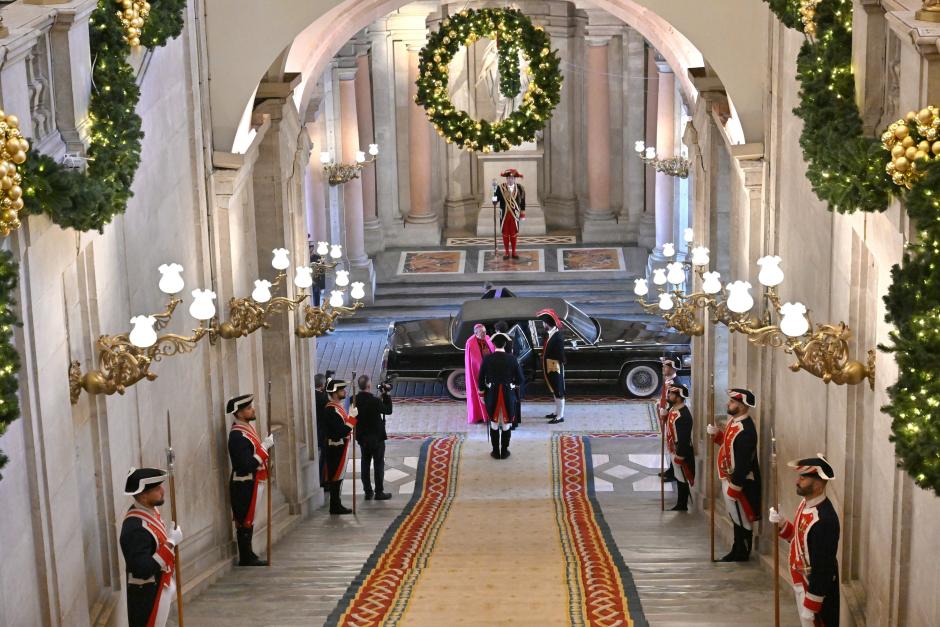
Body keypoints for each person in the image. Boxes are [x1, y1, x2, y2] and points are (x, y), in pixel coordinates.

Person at [769, 455, 841, 627]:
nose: (797, 481)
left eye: (803, 478)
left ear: (817, 484)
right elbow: (801, 542)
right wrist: (782, 524)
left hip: (814, 589)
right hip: (801, 583)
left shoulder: (825, 520)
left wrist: (811, 604)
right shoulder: (806, 504)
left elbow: (824, 567)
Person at [120, 467, 183, 627]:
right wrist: (170, 543)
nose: (162, 491)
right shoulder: (135, 528)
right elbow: (143, 569)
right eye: (156, 489)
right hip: (147, 594)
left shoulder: (150, 510)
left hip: (160, 586)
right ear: (143, 495)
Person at [707, 388, 762, 562]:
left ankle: (742, 551)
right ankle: (736, 547)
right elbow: (728, 444)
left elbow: (744, 462)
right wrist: (717, 435)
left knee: (742, 518)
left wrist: (735, 486)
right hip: (728, 478)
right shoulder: (735, 422)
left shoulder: (746, 431)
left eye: (732, 402)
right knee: (734, 515)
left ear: (742, 406)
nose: (727, 404)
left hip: (739, 482)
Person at [227, 393, 273, 566]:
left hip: (252, 481)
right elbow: (245, 465)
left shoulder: (246, 430)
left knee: (249, 518)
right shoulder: (237, 436)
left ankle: (249, 554)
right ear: (239, 414)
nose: (253, 410)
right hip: (244, 482)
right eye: (248, 408)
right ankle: (245, 556)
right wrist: (263, 449)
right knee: (244, 520)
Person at [477, 332, 525, 459]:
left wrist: (482, 394)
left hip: (492, 394)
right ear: (505, 344)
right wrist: (512, 385)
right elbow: (520, 379)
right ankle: (504, 451)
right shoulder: (512, 359)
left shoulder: (487, 359)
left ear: (493, 344)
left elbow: (481, 378)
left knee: (493, 423)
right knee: (506, 424)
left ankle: (495, 451)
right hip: (508, 394)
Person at [320, 377, 359, 514]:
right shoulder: (331, 410)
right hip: (335, 447)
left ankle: (336, 504)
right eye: (342, 389)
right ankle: (335, 505)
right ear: (335, 392)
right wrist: (352, 420)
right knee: (335, 477)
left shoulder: (337, 407)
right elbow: (338, 432)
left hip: (340, 446)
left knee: (338, 477)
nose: (344, 391)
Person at [355, 374, 393, 501]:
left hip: (362, 438)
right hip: (377, 438)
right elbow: (388, 410)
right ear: (369, 386)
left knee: (365, 463)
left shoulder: (353, 400)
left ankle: (367, 491)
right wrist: (386, 396)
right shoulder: (375, 401)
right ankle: (379, 492)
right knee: (378, 464)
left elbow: (352, 418)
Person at [664, 383, 695, 511]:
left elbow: (683, 439)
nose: (669, 395)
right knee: (678, 476)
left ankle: (682, 504)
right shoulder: (674, 409)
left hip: (680, 451)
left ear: (678, 397)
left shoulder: (684, 416)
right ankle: (680, 502)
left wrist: (680, 455)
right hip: (673, 449)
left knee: (682, 477)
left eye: (671, 394)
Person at [538, 308, 566, 424]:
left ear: (547, 324)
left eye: (544, 322)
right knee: (554, 390)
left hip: (555, 367)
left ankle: (560, 416)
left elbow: (560, 355)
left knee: (558, 391)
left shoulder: (557, 337)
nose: (543, 324)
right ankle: (556, 412)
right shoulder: (551, 334)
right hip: (551, 366)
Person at [495, 320, 525, 429]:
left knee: (506, 400)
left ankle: (508, 422)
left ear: (498, 330)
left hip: (504, 371)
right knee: (514, 398)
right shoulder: (511, 338)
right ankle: (515, 421)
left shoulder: (499, 340)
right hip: (513, 369)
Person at [464, 323, 495, 424]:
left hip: (490, 371)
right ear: (476, 333)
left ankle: (491, 414)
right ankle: (480, 415)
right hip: (478, 371)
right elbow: (473, 361)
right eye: (482, 332)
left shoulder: (487, 338)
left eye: (485, 332)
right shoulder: (470, 342)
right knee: (478, 394)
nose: (485, 334)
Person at [493, 168, 526, 260]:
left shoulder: (520, 188)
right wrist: (494, 192)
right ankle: (507, 252)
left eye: (512, 178)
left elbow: (522, 202)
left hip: (515, 215)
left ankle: (514, 252)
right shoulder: (501, 188)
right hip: (504, 215)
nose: (510, 180)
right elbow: (495, 201)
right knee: (505, 233)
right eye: (508, 178)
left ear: (515, 179)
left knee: (514, 233)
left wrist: (522, 214)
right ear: (506, 179)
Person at [657, 357, 680, 481]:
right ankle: (671, 470)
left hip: (672, 416)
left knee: (673, 443)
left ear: (671, 368)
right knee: (669, 442)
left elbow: (675, 402)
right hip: (666, 414)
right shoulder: (668, 380)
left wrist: (666, 411)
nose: (663, 368)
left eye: (665, 366)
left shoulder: (676, 384)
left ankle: (674, 472)